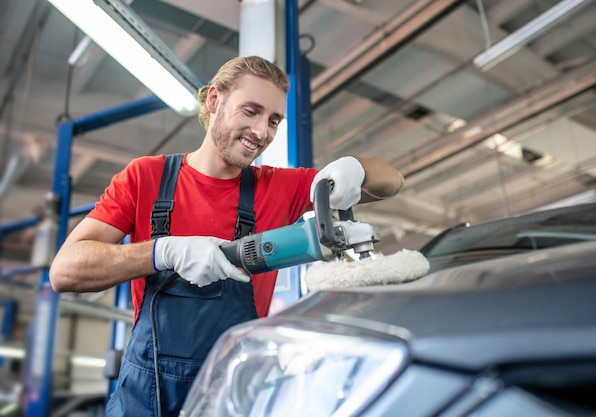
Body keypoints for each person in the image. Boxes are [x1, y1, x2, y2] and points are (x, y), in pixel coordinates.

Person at [49, 55, 404, 417]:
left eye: (273, 121)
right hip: (144, 397)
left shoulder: (281, 188)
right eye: (250, 111)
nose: (261, 132)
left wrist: (355, 169)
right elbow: (64, 272)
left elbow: (392, 179)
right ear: (214, 101)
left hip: (231, 397)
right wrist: (162, 252)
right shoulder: (145, 178)